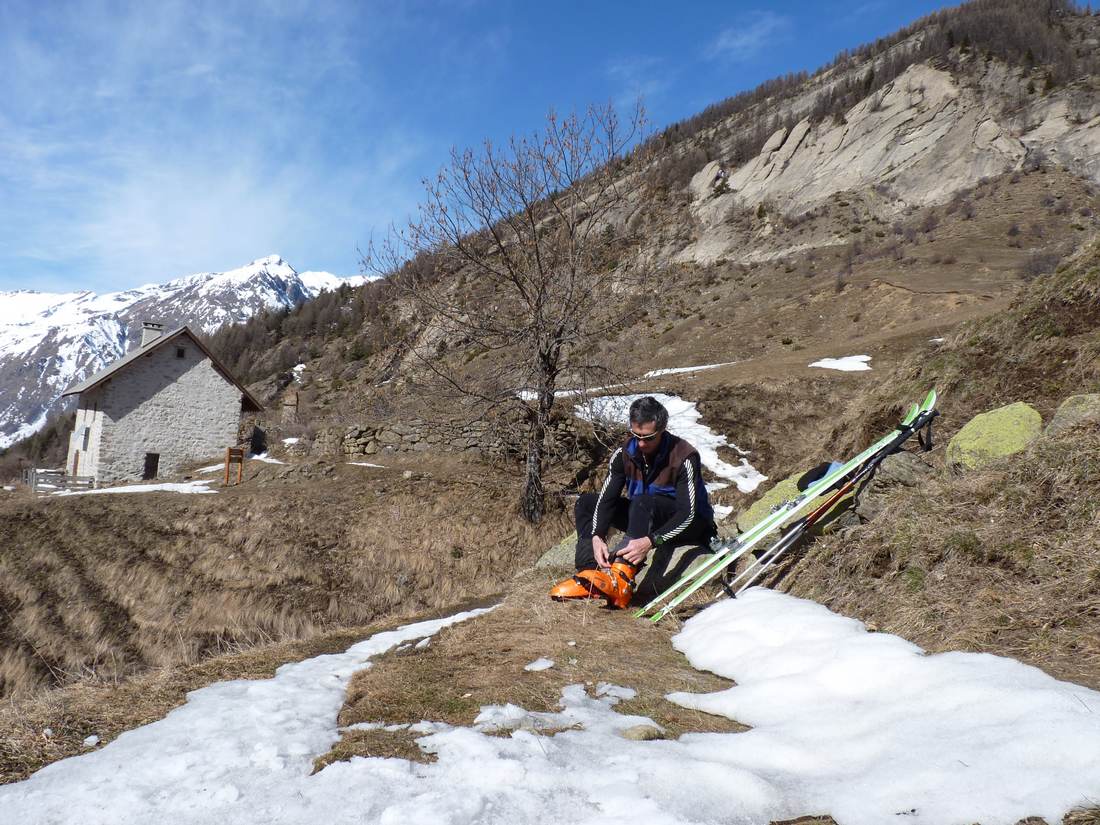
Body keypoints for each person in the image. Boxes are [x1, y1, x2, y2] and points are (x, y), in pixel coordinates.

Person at [550, 396, 717, 608]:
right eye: (635, 435)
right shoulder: (623, 454)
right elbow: (607, 499)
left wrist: (651, 541)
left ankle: (621, 580)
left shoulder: (684, 456)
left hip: (689, 525)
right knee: (586, 502)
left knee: (642, 501)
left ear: (663, 429)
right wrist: (598, 535)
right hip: (644, 514)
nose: (640, 443)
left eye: (648, 437)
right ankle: (589, 575)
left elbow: (688, 514)